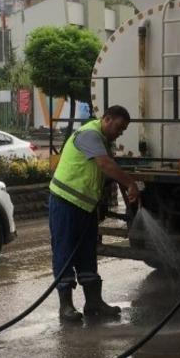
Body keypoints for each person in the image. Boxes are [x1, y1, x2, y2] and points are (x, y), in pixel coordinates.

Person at [48, 105, 139, 322]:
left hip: (84, 206)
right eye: (119, 127)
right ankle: (66, 306)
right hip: (65, 202)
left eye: (124, 130)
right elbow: (105, 165)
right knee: (64, 251)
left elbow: (99, 174)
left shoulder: (103, 140)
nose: (120, 133)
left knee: (87, 252)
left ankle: (93, 302)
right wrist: (130, 184)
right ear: (107, 119)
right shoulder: (90, 134)